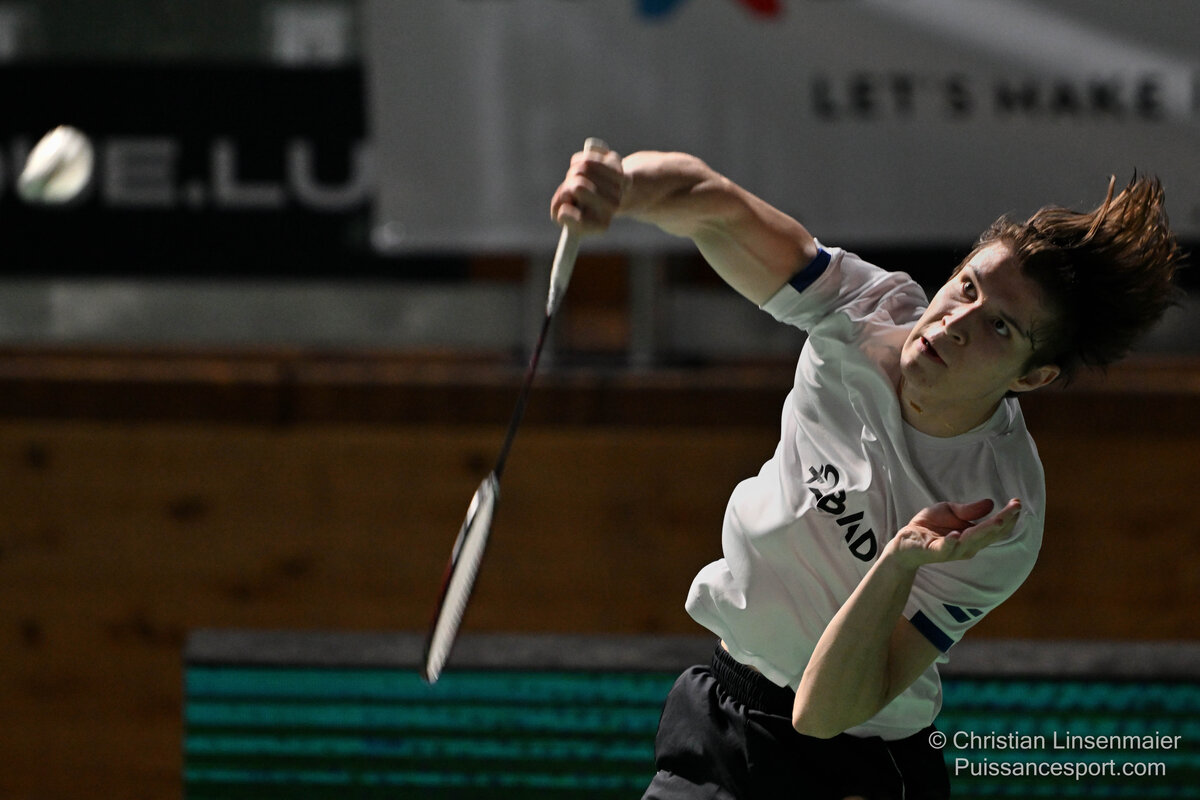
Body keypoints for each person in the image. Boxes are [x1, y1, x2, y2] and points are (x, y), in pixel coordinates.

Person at [550, 146, 1184, 799]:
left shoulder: (999, 513)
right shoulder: (863, 309)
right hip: (724, 711)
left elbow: (825, 714)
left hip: (861, 766)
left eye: (998, 326)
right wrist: (622, 187)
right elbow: (713, 204)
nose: (956, 322)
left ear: (1032, 377)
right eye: (967, 286)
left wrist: (899, 561)